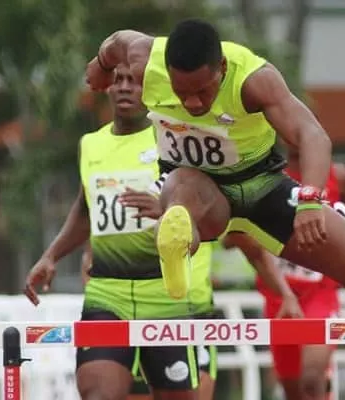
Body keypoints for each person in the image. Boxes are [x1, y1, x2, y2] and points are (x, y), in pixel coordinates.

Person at [85, 19, 345, 303]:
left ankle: (342, 223)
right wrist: (100, 65)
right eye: (182, 92)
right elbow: (116, 42)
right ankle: (176, 250)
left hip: (262, 188)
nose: (192, 103)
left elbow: (312, 134)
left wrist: (311, 199)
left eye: (202, 91)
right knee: (180, 205)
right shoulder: (145, 61)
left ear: (221, 67)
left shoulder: (253, 80)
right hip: (196, 188)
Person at [24, 64, 216, 400]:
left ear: (152, 88)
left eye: (135, 81)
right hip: (107, 294)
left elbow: (206, 205)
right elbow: (85, 207)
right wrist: (51, 255)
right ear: (108, 88)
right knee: (98, 392)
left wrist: (168, 209)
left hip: (165, 297)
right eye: (119, 80)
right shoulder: (91, 144)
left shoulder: (176, 139)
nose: (125, 87)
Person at [222, 163, 345, 400]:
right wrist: (256, 233)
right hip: (279, 297)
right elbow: (232, 239)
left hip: (319, 293)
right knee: (293, 388)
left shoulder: (337, 175)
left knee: (312, 378)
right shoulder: (261, 175)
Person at [81, 243, 217, 400]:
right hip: (120, 308)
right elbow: (89, 254)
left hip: (183, 312)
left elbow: (232, 236)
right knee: (115, 390)